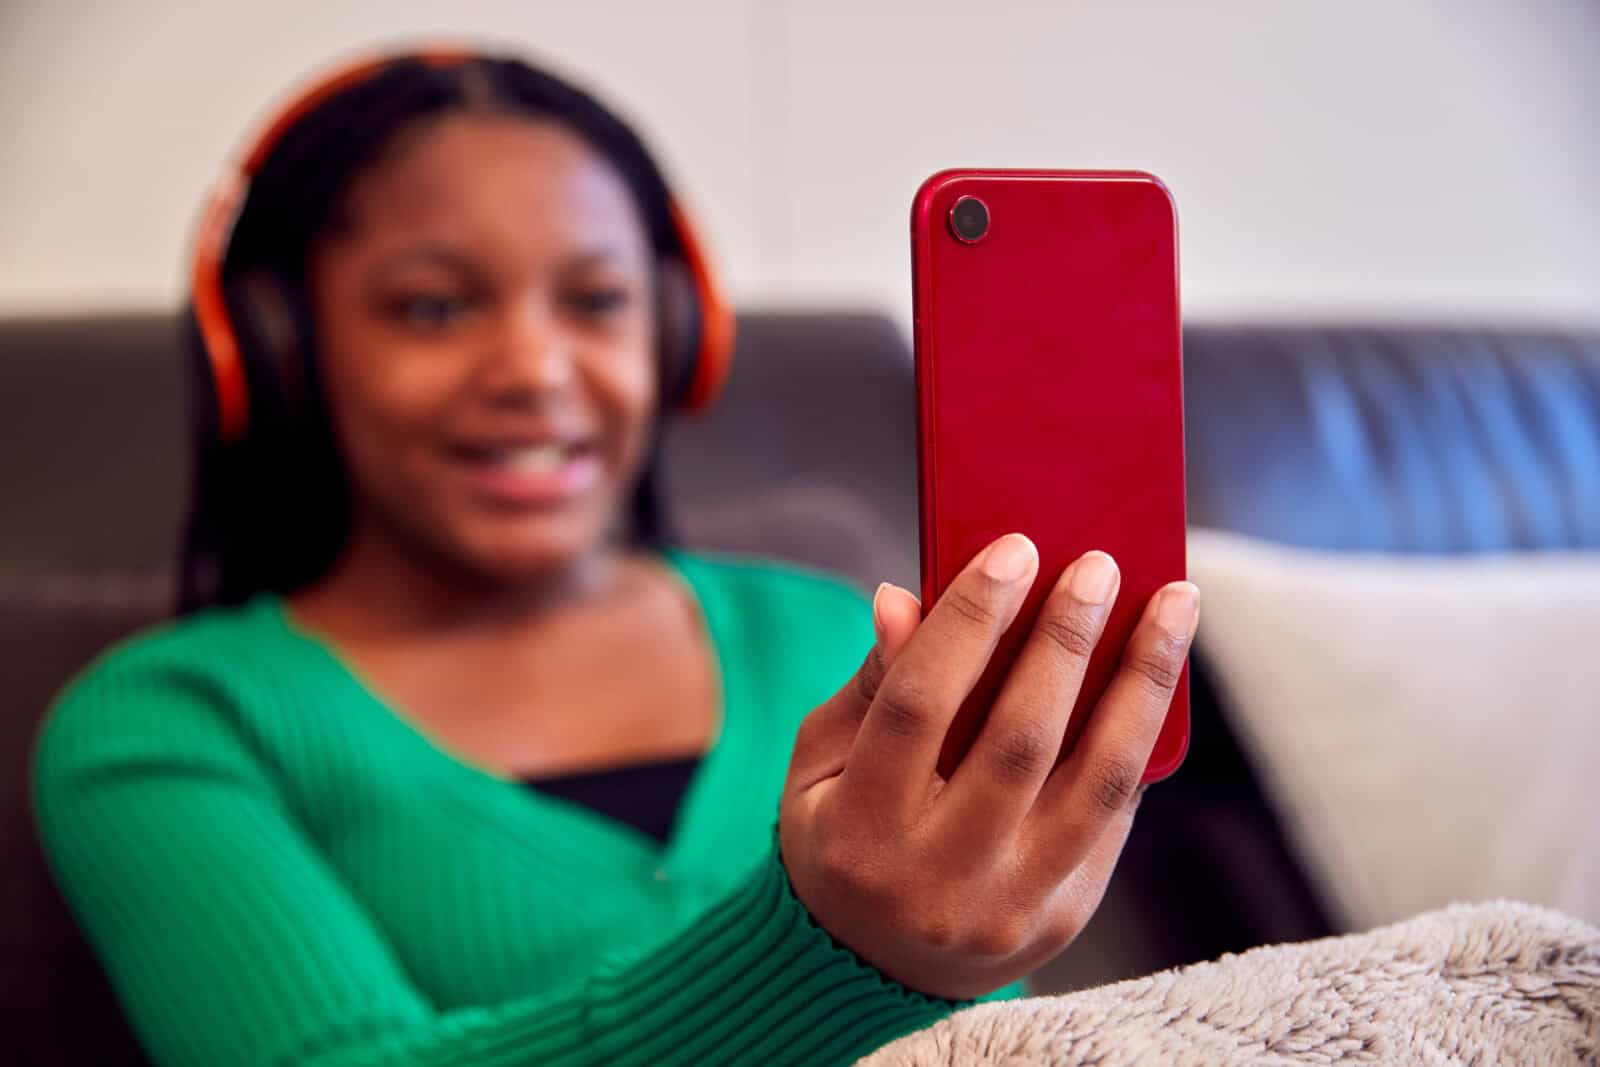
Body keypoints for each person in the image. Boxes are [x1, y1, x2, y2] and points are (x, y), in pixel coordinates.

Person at [32, 48, 1201, 1067]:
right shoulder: (166, 723)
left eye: (595, 299)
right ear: (278, 352)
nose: (536, 369)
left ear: (675, 332)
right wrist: (837, 952)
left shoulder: (836, 635)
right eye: (433, 308)